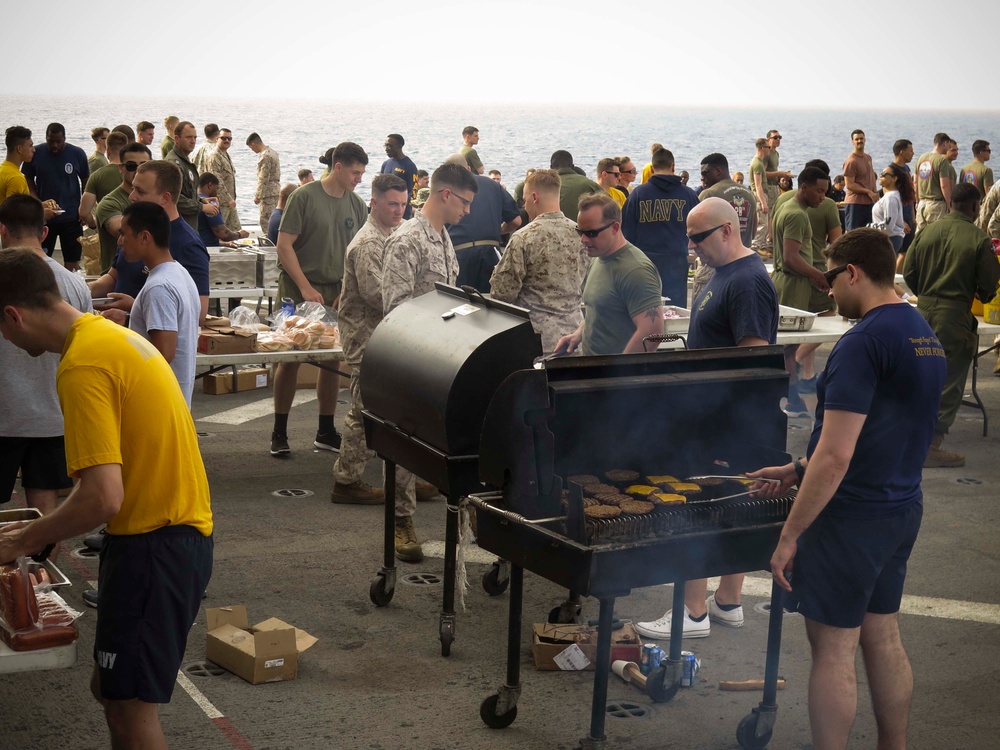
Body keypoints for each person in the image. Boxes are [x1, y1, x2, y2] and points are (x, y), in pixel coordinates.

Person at [0, 247, 213, 750]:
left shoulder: (81, 365)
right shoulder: (109, 335)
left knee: (129, 715)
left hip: (156, 547)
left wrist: (22, 539)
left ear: (13, 316)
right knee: (109, 688)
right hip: (169, 536)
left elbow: (101, 497)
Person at [749, 228, 946, 750]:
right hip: (900, 507)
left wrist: (790, 535)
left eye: (831, 279)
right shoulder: (922, 331)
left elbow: (837, 457)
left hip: (851, 518)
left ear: (853, 273)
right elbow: (876, 434)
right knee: (882, 637)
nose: (828, 291)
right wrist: (797, 468)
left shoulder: (861, 343)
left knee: (833, 649)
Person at [636, 198, 778, 640]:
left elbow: (753, 360)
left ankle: (691, 612)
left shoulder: (749, 280)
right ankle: (727, 602)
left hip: (725, 420)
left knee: (698, 507)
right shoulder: (723, 273)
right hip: (719, 415)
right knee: (734, 505)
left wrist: (712, 415)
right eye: (689, 239)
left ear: (727, 231)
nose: (692, 247)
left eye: (698, 238)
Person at [381, 162, 480, 562]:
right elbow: (395, 308)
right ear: (445, 195)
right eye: (466, 203)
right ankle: (400, 522)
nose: (468, 211)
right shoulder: (408, 240)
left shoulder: (441, 238)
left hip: (441, 355)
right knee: (404, 446)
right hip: (410, 358)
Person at [271, 142, 368, 457]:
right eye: (355, 172)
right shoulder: (304, 196)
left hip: (334, 289)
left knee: (331, 358)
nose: (359, 179)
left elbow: (357, 253)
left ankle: (325, 430)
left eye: (362, 173)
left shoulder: (357, 205)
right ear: (338, 167)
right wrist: (304, 288)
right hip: (297, 287)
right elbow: (284, 246)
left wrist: (346, 291)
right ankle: (279, 432)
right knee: (291, 356)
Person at [0, 195, 92, 520]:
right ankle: (42, 567)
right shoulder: (74, 283)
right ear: (43, 233)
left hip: (5, 413)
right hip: (54, 412)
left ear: (2, 230)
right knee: (43, 503)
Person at [903, 182, 1000, 468]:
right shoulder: (978, 239)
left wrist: (927, 292)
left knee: (915, 377)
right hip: (954, 316)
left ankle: (904, 439)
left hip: (921, 313)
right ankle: (931, 446)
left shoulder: (927, 231)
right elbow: (987, 288)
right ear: (975, 207)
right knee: (947, 383)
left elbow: (909, 272)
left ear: (950, 204)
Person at [330, 174, 409, 505]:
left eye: (404, 204)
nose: (399, 210)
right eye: (392, 203)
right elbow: (378, 293)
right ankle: (346, 481)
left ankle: (404, 479)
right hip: (366, 337)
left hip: (385, 335)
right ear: (373, 202)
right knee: (364, 410)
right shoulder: (368, 244)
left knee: (393, 408)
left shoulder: (390, 234)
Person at [489, 168, 591, 352]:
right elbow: (589, 286)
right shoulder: (581, 235)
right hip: (576, 338)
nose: (525, 205)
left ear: (535, 197)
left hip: (537, 341)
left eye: (525, 199)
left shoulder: (524, 237)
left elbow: (502, 293)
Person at [555, 192, 663, 356]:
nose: (583, 239)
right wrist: (579, 334)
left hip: (614, 377)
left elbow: (652, 333)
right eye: (580, 231)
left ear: (615, 228)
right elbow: (602, 309)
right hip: (594, 372)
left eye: (591, 233)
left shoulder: (636, 270)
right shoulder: (599, 258)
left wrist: (619, 374)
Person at [119, 202, 202, 406]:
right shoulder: (179, 272)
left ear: (145, 237)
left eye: (124, 234)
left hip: (158, 405)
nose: (120, 241)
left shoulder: (159, 287)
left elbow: (162, 354)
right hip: (174, 402)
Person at [771, 167, 831, 417]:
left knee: (788, 346)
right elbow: (791, 257)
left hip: (790, 281)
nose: (823, 197)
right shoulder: (796, 214)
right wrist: (818, 275)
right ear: (804, 187)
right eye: (819, 191)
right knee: (787, 346)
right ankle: (790, 400)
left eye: (825, 192)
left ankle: (792, 399)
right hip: (792, 283)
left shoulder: (788, 207)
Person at [621, 145, 699, 307]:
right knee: (675, 312)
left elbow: (626, 234)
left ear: (653, 168)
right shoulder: (689, 195)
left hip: (644, 264)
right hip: (677, 263)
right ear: (673, 167)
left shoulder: (638, 195)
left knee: (644, 311)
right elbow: (699, 231)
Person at [444, 154, 521, 292]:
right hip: (490, 251)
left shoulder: (445, 190)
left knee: (458, 302)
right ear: (468, 168)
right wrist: (499, 230)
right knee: (492, 301)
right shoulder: (492, 185)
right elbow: (516, 221)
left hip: (458, 253)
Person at [22, 123, 89, 270]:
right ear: (46, 138)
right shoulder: (37, 153)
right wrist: (35, 198)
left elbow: (86, 180)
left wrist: (84, 208)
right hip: (45, 217)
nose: (55, 145)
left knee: (72, 261)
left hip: (71, 216)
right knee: (41, 260)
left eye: (59, 141)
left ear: (65, 138)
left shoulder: (77, 153)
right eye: (51, 141)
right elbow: (27, 176)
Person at [691, 152, 757, 299]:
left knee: (702, 314)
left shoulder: (708, 194)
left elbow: (694, 234)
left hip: (712, 268)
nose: (703, 178)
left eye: (706, 173)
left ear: (718, 171)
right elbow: (753, 231)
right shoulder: (749, 194)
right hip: (742, 266)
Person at [93, 142, 153, 273]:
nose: (137, 170)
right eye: (131, 166)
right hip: (117, 278)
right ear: (121, 168)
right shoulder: (110, 203)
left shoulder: (155, 199)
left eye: (143, 166)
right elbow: (122, 230)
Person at [164, 121, 213, 230]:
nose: (193, 141)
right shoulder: (174, 164)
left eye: (195, 138)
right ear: (177, 139)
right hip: (179, 229)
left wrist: (201, 200)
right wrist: (202, 207)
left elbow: (187, 192)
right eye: (189, 137)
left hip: (188, 226)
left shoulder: (185, 162)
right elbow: (173, 198)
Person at [79, 131, 128, 228]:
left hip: (106, 232)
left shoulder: (97, 176)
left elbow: (83, 212)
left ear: (108, 151)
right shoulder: (134, 174)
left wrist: (94, 225)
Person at [915, 133, 956, 233]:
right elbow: (944, 185)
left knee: (920, 236)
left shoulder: (921, 158)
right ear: (945, 143)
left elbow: (915, 182)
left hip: (922, 204)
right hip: (936, 205)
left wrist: (917, 201)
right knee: (936, 235)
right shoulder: (942, 161)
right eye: (949, 145)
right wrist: (950, 204)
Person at [204, 128, 241, 233]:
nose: (227, 141)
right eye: (223, 138)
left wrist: (231, 199)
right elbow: (216, 180)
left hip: (229, 202)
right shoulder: (214, 155)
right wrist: (228, 199)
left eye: (229, 138)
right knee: (220, 232)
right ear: (217, 139)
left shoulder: (225, 154)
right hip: (220, 202)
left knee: (235, 230)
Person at [197, 173, 249, 246]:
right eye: (217, 188)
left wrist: (225, 244)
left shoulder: (192, 202)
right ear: (210, 185)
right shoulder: (210, 203)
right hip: (208, 250)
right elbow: (222, 233)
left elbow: (203, 234)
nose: (217, 192)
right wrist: (239, 234)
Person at [842, 129, 879, 230]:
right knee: (854, 234)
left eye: (861, 138)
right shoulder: (851, 161)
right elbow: (849, 185)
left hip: (869, 203)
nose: (859, 141)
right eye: (856, 139)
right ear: (852, 142)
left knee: (869, 234)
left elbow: (871, 178)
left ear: (865, 140)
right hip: (855, 204)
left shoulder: (868, 158)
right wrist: (867, 191)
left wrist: (875, 193)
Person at [550, 150, 601, 222]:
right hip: (583, 231)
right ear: (573, 167)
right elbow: (611, 209)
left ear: (551, 167)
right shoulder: (589, 184)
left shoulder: (541, 187)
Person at [871, 164, 912, 252]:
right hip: (889, 238)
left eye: (884, 174)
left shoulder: (891, 198)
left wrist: (871, 227)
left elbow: (888, 227)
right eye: (881, 173)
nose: (880, 176)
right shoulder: (891, 196)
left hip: (890, 239)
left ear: (894, 178)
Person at [247, 132, 280, 233]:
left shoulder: (265, 156)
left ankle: (269, 245)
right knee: (274, 219)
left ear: (254, 144)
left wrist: (258, 196)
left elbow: (263, 178)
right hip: (275, 191)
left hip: (267, 194)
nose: (252, 150)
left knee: (266, 221)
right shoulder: (273, 152)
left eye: (251, 148)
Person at [380, 133, 419, 219]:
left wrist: (400, 206)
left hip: (401, 214)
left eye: (390, 146)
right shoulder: (386, 164)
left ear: (400, 146)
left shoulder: (409, 166)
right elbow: (379, 187)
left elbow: (413, 193)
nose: (386, 149)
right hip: (385, 211)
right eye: (385, 146)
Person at [892, 139, 917, 258]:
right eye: (910, 150)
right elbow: (889, 199)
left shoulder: (906, 169)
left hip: (908, 216)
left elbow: (909, 195)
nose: (913, 153)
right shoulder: (891, 171)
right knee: (900, 253)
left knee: (907, 252)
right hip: (899, 219)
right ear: (902, 152)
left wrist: (913, 215)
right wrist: (900, 221)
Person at [749, 138, 773, 254]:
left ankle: (761, 246)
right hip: (760, 195)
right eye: (768, 147)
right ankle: (756, 247)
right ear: (762, 148)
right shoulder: (757, 163)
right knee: (762, 224)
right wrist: (763, 202)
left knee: (764, 223)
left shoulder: (759, 162)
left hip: (762, 195)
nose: (769, 149)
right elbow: (757, 185)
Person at [1, 126, 34, 204]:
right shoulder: (16, 178)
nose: (33, 149)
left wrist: (40, 206)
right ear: (19, 149)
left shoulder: (2, 170)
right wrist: (43, 213)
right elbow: (14, 214)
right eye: (30, 146)